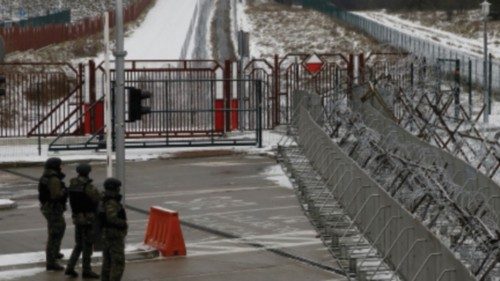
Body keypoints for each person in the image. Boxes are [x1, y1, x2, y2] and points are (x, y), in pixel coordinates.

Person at [65, 163, 101, 279]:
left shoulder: (72, 184)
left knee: (79, 244)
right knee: (88, 245)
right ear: (87, 172)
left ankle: (70, 267)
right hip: (88, 219)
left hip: (77, 218)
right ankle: (86, 270)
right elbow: (97, 199)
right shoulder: (88, 186)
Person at [38, 157, 67, 271]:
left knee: (59, 228)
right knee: (55, 233)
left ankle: (55, 252)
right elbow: (56, 195)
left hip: (48, 207)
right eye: (60, 165)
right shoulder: (53, 178)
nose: (61, 166)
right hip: (53, 208)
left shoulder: (46, 176)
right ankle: (51, 261)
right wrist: (64, 191)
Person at [100, 178, 128, 281]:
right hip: (114, 235)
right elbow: (111, 218)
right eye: (118, 187)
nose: (119, 189)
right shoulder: (111, 201)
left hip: (106, 234)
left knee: (107, 262)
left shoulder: (104, 198)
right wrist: (123, 223)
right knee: (118, 263)